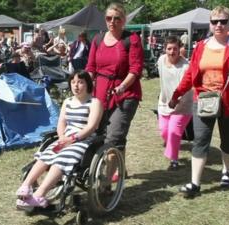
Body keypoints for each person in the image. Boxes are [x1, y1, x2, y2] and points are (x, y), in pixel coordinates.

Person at [169, 6, 229, 198]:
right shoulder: (201, 46)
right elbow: (191, 73)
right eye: (215, 21)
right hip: (203, 100)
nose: (219, 25)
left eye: (223, 21)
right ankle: (195, 183)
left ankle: (226, 170)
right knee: (200, 140)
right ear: (210, 24)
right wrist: (177, 94)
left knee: (227, 138)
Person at [16, 71, 103, 209]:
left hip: (84, 139)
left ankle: (39, 194)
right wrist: (62, 137)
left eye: (80, 82)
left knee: (62, 158)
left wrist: (73, 139)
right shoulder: (67, 102)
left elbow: (92, 127)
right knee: (47, 155)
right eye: (73, 82)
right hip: (66, 137)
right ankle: (25, 186)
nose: (76, 86)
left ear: (88, 84)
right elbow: (61, 123)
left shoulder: (94, 102)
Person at [85, 2, 143, 177]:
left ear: (124, 20)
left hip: (125, 94)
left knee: (113, 138)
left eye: (117, 18)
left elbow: (136, 69)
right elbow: (91, 67)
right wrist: (86, 87)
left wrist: (122, 86)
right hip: (100, 94)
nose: (112, 22)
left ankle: (106, 184)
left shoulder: (131, 39)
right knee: (102, 134)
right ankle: (120, 168)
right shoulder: (98, 39)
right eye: (109, 18)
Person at [157, 36, 193, 170]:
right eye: (169, 49)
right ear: (165, 49)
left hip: (182, 105)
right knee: (164, 132)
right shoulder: (161, 60)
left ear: (180, 49)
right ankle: (172, 146)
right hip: (164, 103)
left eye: (175, 49)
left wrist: (176, 100)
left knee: (173, 132)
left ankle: (174, 159)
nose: (172, 52)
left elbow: (186, 87)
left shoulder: (186, 66)